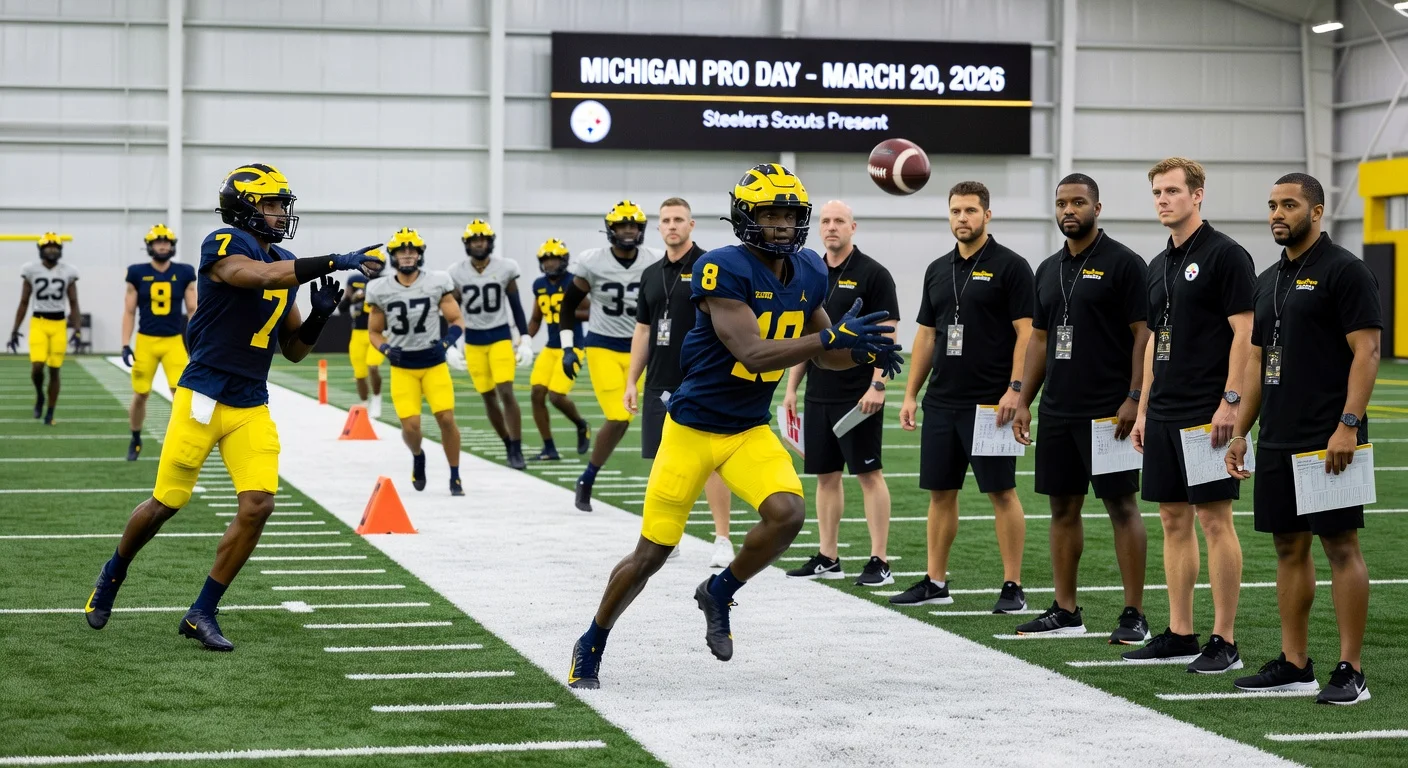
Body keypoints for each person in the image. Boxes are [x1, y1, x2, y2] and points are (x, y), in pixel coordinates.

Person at [567, 163, 902, 689]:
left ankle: (719, 591)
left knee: (788, 513)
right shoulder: (722, 268)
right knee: (650, 554)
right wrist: (833, 339)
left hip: (748, 427)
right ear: (746, 217)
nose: (783, 225)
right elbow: (753, 351)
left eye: (790, 214)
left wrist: (860, 352)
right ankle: (592, 640)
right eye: (771, 214)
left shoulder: (811, 269)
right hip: (693, 427)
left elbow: (825, 357)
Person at [82, 163, 383, 650]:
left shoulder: (283, 258)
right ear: (243, 208)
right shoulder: (222, 244)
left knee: (259, 504)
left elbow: (294, 349)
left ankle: (202, 611)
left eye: (282, 204)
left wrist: (321, 316)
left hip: (249, 400)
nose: (280, 213)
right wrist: (333, 259)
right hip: (202, 396)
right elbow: (255, 276)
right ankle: (112, 574)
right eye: (269, 204)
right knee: (166, 504)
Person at [1227, 173, 1379, 705]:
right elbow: (1256, 360)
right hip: (1277, 436)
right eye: (1272, 204)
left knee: (1340, 546)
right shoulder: (1267, 278)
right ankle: (1295, 664)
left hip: (1330, 435)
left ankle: (1351, 669)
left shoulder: (1345, 271)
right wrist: (1242, 429)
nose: (1277, 213)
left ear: (1316, 212)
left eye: (1289, 205)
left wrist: (1349, 425)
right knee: (1288, 547)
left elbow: (1367, 351)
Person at [1124, 157, 1255, 674]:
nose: (1163, 199)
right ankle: (1181, 631)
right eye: (1157, 192)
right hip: (1163, 413)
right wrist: (1143, 411)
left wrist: (1231, 401)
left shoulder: (1226, 255)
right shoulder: (1159, 263)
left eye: (1173, 191)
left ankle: (1224, 639)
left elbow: (1244, 334)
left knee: (1213, 519)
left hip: (1208, 411)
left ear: (1198, 195)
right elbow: (1157, 339)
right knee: (1172, 518)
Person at [1009, 175, 1151, 642]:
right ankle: (1066, 609)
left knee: (1121, 506)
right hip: (1058, 409)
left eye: (1078, 202)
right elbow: (1041, 340)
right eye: (1062, 203)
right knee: (1061, 508)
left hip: (1109, 411)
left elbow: (1142, 336)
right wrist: (1024, 397)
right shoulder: (1048, 268)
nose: (1069, 210)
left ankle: (1134, 613)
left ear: (1097, 207)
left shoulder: (1125, 264)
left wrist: (1134, 396)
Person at [893, 181, 1033, 613]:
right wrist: (911, 394)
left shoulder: (1011, 266)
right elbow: (927, 336)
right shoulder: (937, 269)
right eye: (955, 211)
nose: (962, 218)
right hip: (942, 401)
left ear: (987, 215)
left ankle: (1013, 586)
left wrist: (1015, 389)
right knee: (940, 493)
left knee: (1002, 493)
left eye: (971, 211)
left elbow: (1027, 334)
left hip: (992, 403)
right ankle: (935, 580)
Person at [783, 200, 899, 587]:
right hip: (819, 392)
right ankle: (828, 556)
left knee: (868, 475)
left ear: (853, 227)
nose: (831, 227)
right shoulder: (809, 271)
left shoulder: (874, 274)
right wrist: (791, 389)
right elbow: (806, 338)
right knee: (826, 477)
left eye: (839, 221)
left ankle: (879, 559)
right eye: (826, 221)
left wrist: (878, 384)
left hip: (859, 394)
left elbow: (889, 335)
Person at [627, 197, 734, 569]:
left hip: (701, 377)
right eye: (666, 220)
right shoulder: (650, 273)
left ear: (691, 225)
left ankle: (722, 538)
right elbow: (643, 330)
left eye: (679, 219)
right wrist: (631, 381)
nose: (672, 225)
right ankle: (666, 536)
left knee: (711, 463)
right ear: (658, 227)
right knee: (663, 462)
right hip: (659, 379)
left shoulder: (710, 267)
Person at [558, 201, 661, 511]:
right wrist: (567, 347)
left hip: (642, 348)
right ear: (610, 229)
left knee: (631, 419)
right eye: (622, 226)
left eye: (634, 226)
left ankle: (588, 477)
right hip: (602, 345)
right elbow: (568, 306)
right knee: (619, 416)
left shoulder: (655, 260)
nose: (628, 231)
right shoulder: (592, 261)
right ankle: (588, 478)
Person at [368, 228, 466, 496]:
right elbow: (374, 332)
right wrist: (387, 349)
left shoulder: (437, 281)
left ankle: (455, 475)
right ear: (393, 255)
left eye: (412, 250)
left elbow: (457, 320)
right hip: (403, 366)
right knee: (411, 427)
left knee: (446, 418)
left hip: (433, 362)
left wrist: (447, 343)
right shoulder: (379, 288)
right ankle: (418, 454)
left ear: (420, 254)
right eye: (402, 250)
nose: (407, 255)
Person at [448, 220, 534, 470]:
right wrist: (450, 343)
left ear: (490, 242)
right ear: (467, 243)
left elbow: (515, 305)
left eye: (483, 239)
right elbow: (451, 311)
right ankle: (507, 443)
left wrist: (525, 336)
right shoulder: (457, 272)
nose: (478, 243)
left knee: (506, 392)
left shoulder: (505, 267)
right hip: (473, 340)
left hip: (499, 337)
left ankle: (516, 447)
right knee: (487, 397)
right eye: (474, 240)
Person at [120, 224, 198, 461]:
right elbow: (129, 311)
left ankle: (180, 440)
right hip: (146, 340)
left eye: (166, 242)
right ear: (150, 246)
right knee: (141, 393)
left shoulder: (184, 272)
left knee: (181, 395)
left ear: (172, 246)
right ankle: (135, 437)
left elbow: (193, 309)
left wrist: (197, 341)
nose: (163, 245)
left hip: (174, 340)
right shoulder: (136, 272)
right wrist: (125, 343)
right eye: (158, 242)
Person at [526, 238, 592, 461]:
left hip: (573, 346)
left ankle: (581, 424)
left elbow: (590, 312)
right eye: (546, 260)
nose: (550, 264)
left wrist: (567, 313)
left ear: (563, 260)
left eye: (554, 259)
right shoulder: (539, 284)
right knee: (536, 394)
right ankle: (549, 448)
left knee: (556, 396)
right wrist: (524, 339)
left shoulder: (574, 282)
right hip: (550, 347)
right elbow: (536, 318)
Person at [8, 232, 80, 426]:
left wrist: (77, 329)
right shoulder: (31, 270)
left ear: (60, 250)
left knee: (55, 369)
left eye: (55, 247)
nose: (51, 250)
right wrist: (15, 329)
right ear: (41, 249)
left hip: (58, 324)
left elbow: (73, 302)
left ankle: (50, 411)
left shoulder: (68, 271)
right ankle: (40, 395)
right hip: (38, 321)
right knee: (37, 366)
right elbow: (24, 301)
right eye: (48, 247)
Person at [340, 250, 387, 418]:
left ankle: (376, 398)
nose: (373, 266)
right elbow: (343, 307)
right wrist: (352, 298)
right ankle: (364, 403)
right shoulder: (355, 280)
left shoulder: (387, 282)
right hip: (358, 333)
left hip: (378, 332)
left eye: (376, 263)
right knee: (360, 374)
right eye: (370, 262)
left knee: (373, 366)